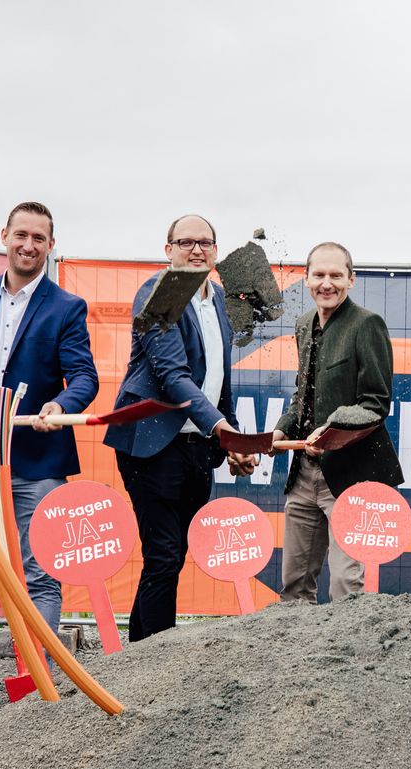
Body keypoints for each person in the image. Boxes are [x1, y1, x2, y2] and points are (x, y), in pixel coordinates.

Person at [104, 214, 257, 641]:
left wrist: (233, 439)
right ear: (167, 248)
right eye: (186, 242)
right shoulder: (161, 291)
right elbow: (173, 375)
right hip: (151, 443)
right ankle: (152, 662)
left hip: (195, 447)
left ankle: (140, 653)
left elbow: (220, 375)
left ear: (215, 251)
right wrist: (223, 429)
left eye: (205, 243)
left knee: (172, 557)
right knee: (164, 555)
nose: (196, 249)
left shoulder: (219, 301)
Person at [0, 201, 99, 634]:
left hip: (37, 460)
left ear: (51, 245)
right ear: (4, 236)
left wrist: (60, 406)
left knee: (41, 573)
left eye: (38, 238)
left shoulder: (66, 306)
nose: (28, 245)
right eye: (20, 235)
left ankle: (38, 685)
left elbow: (83, 375)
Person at [272, 241, 403, 602]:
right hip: (303, 473)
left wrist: (330, 428)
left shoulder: (367, 324)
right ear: (306, 278)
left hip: (349, 473)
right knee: (294, 586)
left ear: (351, 280)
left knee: (345, 586)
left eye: (335, 275)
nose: (326, 283)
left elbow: (376, 404)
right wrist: (282, 428)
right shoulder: (303, 325)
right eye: (318, 275)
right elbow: (303, 394)